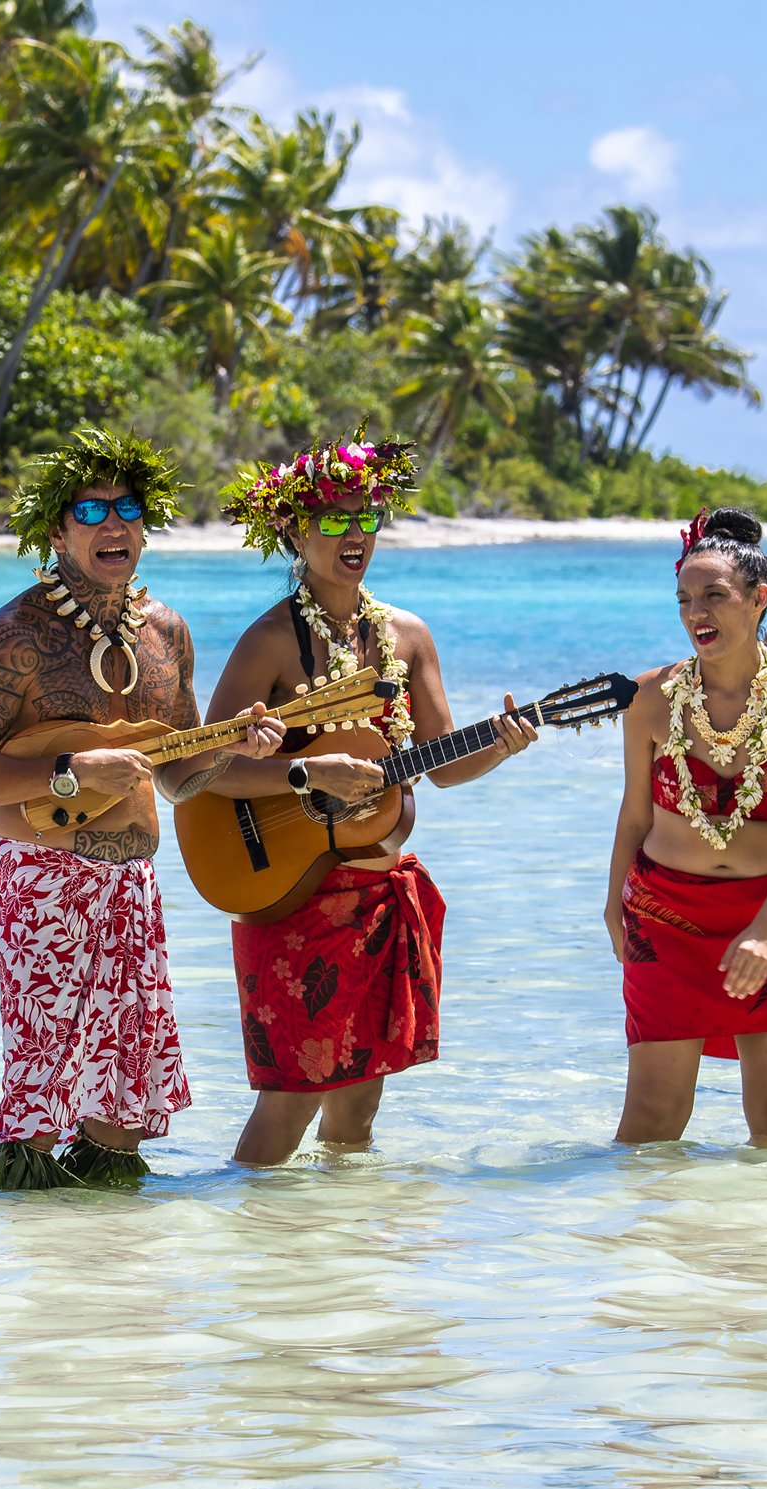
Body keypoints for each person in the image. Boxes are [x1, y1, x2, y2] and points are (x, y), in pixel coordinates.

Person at [0, 428, 284, 1189]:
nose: (113, 524)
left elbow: (180, 776)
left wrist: (237, 749)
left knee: (125, 1107)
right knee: (40, 1095)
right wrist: (69, 772)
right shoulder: (12, 636)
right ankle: (21, 1245)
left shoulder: (167, 631)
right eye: (90, 509)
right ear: (57, 530)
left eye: (127, 506)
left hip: (133, 887)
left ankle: (111, 1283)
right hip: (42, 881)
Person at [201, 433, 538, 1164]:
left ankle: (346, 1263)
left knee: (358, 1110)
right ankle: (252, 1249)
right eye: (332, 519)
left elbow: (441, 765)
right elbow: (203, 768)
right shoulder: (270, 642)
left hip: (377, 890)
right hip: (287, 887)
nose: (353, 535)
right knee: (287, 1100)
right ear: (292, 528)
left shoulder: (408, 636)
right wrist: (305, 777)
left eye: (366, 518)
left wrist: (503, 743)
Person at [607, 510, 767, 1146]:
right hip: (665, 916)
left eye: (714, 595)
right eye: (685, 599)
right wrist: (613, 908)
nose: (697, 613)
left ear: (758, 598)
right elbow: (635, 814)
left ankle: (758, 1248)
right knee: (651, 1124)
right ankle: (646, 1244)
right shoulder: (647, 697)